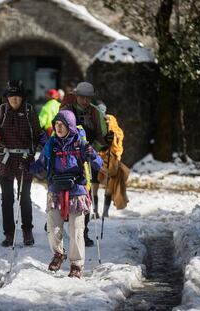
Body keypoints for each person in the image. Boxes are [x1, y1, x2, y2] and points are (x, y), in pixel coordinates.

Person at [30, 110, 102, 278]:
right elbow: (41, 163)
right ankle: (58, 254)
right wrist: (28, 167)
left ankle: (76, 265)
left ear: (70, 126)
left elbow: (99, 165)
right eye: (56, 124)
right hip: (56, 190)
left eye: (62, 124)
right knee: (53, 227)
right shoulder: (52, 144)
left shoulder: (80, 144)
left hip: (76, 191)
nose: (58, 127)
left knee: (77, 229)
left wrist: (92, 155)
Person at [0, 80, 44, 247]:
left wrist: (44, 140)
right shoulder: (0, 111)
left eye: (18, 97)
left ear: (23, 98)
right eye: (11, 97)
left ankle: (27, 231)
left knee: (25, 197)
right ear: (7, 98)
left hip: (25, 159)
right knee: (7, 198)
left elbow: (37, 133)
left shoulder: (30, 111)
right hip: (6, 159)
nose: (15, 100)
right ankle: (9, 233)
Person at [60, 82, 113, 246]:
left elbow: (101, 136)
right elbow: (59, 132)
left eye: (87, 98)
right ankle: (59, 224)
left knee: (85, 196)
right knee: (63, 192)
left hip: (85, 159)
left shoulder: (95, 113)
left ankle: (84, 232)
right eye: (82, 97)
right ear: (76, 96)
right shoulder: (66, 111)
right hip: (66, 156)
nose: (84, 100)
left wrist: (103, 143)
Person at [96, 102, 129, 216]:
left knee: (110, 184)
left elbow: (118, 137)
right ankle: (97, 211)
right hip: (99, 156)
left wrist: (112, 139)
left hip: (110, 157)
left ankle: (104, 212)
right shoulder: (95, 120)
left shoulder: (110, 122)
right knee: (96, 185)